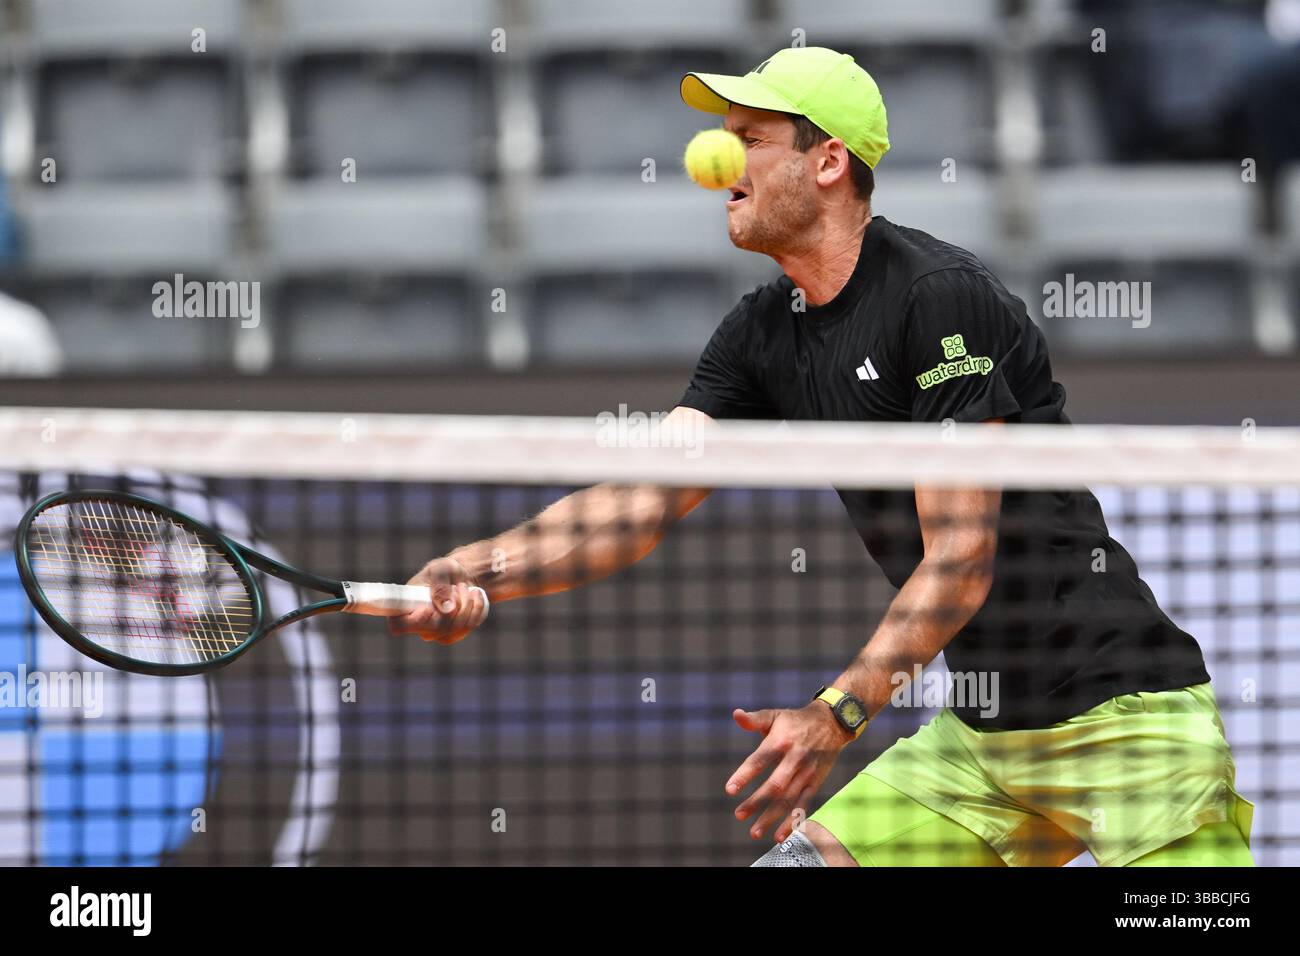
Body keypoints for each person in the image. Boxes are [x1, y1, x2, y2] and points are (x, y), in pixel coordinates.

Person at [391, 47, 1254, 867]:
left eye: (750, 140)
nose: (721, 160)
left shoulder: (940, 300)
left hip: (1129, 725)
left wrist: (836, 715)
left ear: (829, 162)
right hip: (984, 747)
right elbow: (641, 502)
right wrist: (478, 568)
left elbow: (960, 559)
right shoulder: (760, 333)